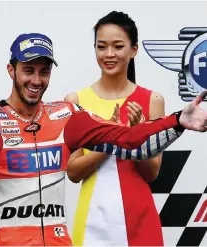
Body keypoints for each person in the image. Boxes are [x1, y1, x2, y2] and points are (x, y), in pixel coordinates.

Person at [0, 32, 207, 247]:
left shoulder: (67, 116)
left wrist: (177, 121)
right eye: (28, 70)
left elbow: (129, 141)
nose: (37, 80)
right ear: (11, 70)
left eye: (44, 71)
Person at [64, 11, 192, 246]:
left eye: (118, 46)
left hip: (139, 220)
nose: (109, 54)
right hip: (92, 221)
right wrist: (114, 137)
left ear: (134, 49)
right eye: (101, 47)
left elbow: (151, 173)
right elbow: (73, 173)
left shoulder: (152, 99)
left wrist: (137, 135)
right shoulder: (75, 101)